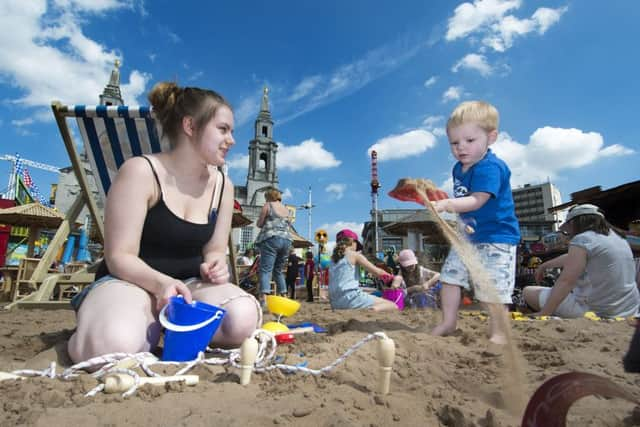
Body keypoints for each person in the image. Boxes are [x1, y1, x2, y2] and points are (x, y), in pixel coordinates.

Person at [68, 82, 259, 363]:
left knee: (242, 320)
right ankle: (109, 319)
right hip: (129, 282)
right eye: (223, 129)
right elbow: (119, 256)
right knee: (110, 346)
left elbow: (215, 248)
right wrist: (161, 285)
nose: (231, 140)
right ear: (190, 126)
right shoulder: (140, 172)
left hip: (188, 287)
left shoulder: (222, 185)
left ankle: (155, 326)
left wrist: (216, 264)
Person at [432, 100, 521, 344]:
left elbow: (477, 200)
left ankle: (499, 331)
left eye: (470, 141)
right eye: (454, 143)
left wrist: (448, 204)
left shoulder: (491, 167)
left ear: (491, 137)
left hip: (497, 238)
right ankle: (448, 321)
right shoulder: (458, 169)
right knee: (449, 277)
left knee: (492, 289)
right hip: (467, 238)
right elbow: (463, 201)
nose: (461, 148)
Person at [523, 204, 640, 318]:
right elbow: (573, 258)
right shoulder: (619, 238)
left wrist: (544, 313)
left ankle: (550, 311)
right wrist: (545, 266)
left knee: (528, 291)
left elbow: (566, 281)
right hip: (629, 310)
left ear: (574, 222)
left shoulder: (583, 238)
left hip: (597, 312)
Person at [328, 229, 398, 311]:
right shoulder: (355, 255)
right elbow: (378, 272)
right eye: (357, 244)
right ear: (353, 242)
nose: (357, 247)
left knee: (368, 295)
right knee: (393, 305)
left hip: (335, 302)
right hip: (351, 299)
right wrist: (392, 278)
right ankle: (372, 310)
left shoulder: (332, 260)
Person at [254, 188, 292, 301]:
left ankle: (264, 298)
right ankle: (284, 296)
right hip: (287, 240)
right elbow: (288, 224)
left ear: (269, 197)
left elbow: (260, 223)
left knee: (265, 269)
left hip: (271, 238)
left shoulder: (268, 205)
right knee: (278, 270)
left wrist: (261, 222)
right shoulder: (286, 209)